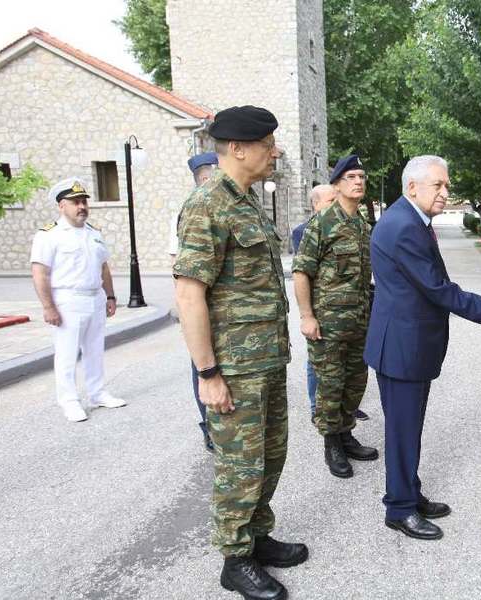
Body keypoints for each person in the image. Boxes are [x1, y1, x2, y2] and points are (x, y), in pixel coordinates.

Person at [174, 105, 306, 600]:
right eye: (268, 144)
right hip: (233, 367)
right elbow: (189, 294)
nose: (274, 152)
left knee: (271, 456)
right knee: (240, 466)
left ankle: (257, 537)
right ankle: (234, 559)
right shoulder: (208, 204)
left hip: (266, 361)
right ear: (237, 147)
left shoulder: (247, 201)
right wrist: (208, 372)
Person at [364, 155, 481, 541]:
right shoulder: (404, 226)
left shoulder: (408, 219)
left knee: (407, 428)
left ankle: (408, 491)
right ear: (413, 187)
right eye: (438, 186)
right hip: (401, 348)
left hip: (407, 344)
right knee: (403, 430)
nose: (445, 192)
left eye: (447, 185)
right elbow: (437, 289)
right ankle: (400, 508)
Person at [293, 155, 378, 478]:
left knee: (355, 382)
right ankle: (331, 443)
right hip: (328, 323)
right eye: (351, 177)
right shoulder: (322, 223)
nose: (358, 182)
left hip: (358, 319)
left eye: (361, 177)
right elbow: (302, 272)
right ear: (338, 184)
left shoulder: (362, 225)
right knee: (330, 384)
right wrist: (307, 316)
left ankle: (346, 433)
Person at [30, 178, 127, 423]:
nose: (81, 206)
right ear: (61, 206)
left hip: (94, 297)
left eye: (84, 201)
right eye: (75, 202)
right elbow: (40, 272)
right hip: (67, 300)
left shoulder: (93, 233)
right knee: (67, 353)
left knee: (94, 350)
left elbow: (103, 267)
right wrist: (48, 306)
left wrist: (111, 295)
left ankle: (97, 392)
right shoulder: (49, 235)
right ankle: (69, 401)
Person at [169, 151, 218, 453]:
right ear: (201, 179)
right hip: (202, 303)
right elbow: (178, 266)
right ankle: (208, 425)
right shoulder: (190, 210)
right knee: (201, 364)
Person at [291, 184, 337, 420]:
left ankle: (342, 405)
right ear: (316, 204)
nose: (336, 204)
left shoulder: (345, 226)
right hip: (319, 306)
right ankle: (314, 405)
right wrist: (306, 314)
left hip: (341, 310)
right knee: (316, 361)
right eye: (331, 200)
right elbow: (303, 274)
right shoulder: (303, 231)